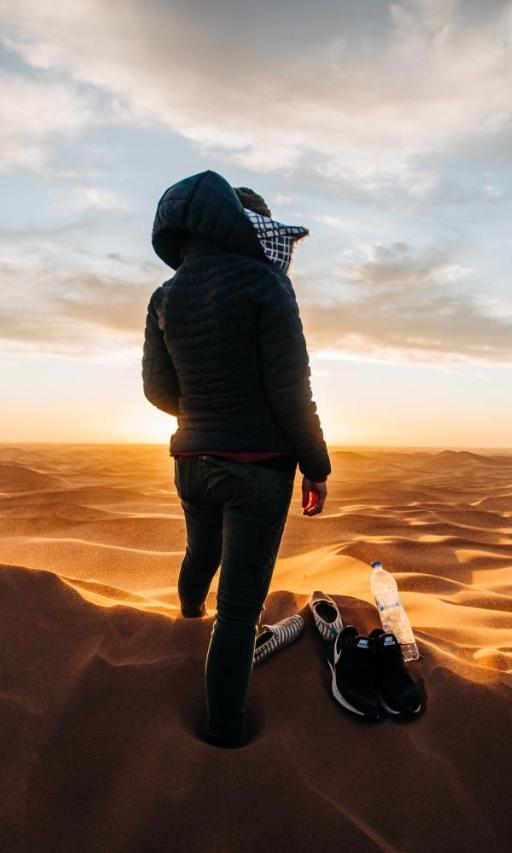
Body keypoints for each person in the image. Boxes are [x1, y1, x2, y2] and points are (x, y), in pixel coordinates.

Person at [142, 169, 331, 748]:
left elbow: (157, 389)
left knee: (201, 551)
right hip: (255, 466)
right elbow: (291, 389)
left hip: (191, 459)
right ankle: (224, 731)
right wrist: (316, 465)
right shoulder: (264, 283)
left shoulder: (166, 294)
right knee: (242, 611)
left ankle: (186, 621)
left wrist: (201, 413)